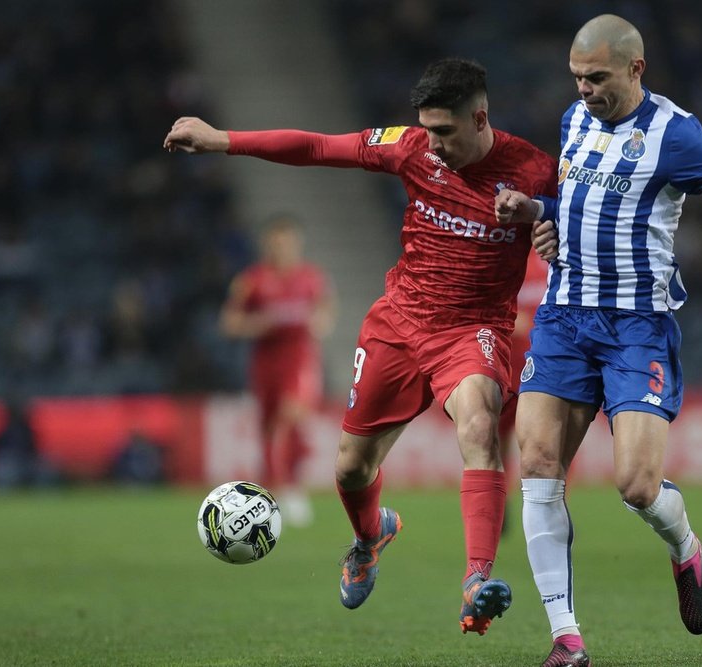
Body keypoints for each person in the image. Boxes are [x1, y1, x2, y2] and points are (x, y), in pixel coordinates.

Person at [165, 58, 557, 636]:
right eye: (427, 129)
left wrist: (550, 231)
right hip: (397, 323)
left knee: (479, 424)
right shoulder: (411, 148)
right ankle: (370, 538)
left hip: (472, 329)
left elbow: (584, 228)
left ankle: (477, 581)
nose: (435, 145)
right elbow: (319, 148)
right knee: (351, 468)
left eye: (445, 132)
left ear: (480, 118)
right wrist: (223, 140)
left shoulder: (535, 172)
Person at [495, 15, 702, 667]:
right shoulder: (573, 121)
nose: (584, 90)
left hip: (636, 326)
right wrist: (540, 218)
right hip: (564, 316)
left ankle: (685, 550)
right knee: (536, 463)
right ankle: (567, 637)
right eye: (577, 79)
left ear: (635, 69)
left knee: (637, 485)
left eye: (596, 78)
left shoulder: (677, 135)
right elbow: (573, 207)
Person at [218, 215, 336, 527]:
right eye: (276, 242)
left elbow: (325, 313)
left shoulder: (312, 278)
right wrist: (257, 324)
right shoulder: (251, 280)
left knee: (291, 415)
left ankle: (293, 489)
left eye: (287, 242)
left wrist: (319, 322)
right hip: (265, 361)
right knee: (269, 428)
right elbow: (229, 323)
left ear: (297, 243)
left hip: (299, 359)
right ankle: (272, 491)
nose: (282, 248)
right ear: (267, 243)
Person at [497, 248, 549, 535]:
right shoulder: (506, 256)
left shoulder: (548, 257)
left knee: (542, 442)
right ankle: (499, 503)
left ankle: (551, 507)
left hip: (540, 366)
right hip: (506, 365)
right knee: (495, 438)